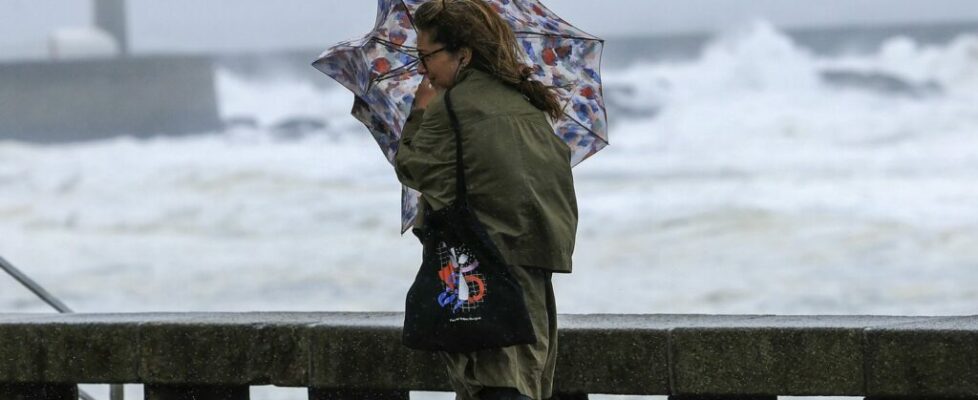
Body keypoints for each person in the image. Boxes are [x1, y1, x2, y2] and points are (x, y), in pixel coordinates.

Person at [393, 1, 578, 399]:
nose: (423, 68)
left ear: (463, 54)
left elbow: (413, 167)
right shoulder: (525, 101)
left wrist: (419, 113)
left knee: (491, 380)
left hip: (480, 268)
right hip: (532, 264)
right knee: (525, 377)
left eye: (426, 56)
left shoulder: (452, 105)